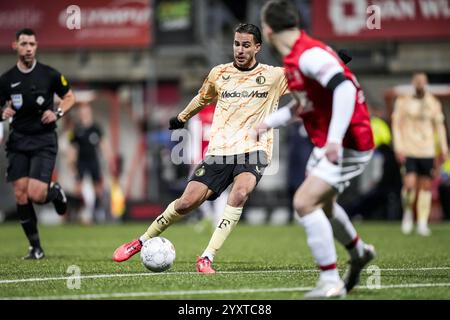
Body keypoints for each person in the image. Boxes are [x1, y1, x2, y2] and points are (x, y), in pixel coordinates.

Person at [112, 23, 289, 273]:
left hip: (254, 148)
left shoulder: (274, 76)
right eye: (237, 44)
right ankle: (140, 241)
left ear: (258, 47)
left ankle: (207, 257)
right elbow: (202, 98)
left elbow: (310, 75)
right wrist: (182, 117)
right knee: (186, 203)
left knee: (239, 193)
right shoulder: (219, 73)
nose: (240, 49)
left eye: (246, 45)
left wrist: (336, 63)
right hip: (219, 151)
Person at [255, 0, 376, 298]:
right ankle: (358, 251)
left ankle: (330, 281)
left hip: (346, 144)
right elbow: (302, 106)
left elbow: (345, 88)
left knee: (304, 202)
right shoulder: (297, 57)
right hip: (333, 143)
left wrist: (335, 139)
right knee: (324, 205)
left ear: (268, 30)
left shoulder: (308, 56)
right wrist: (267, 123)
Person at [0, 28, 75, 259]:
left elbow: (70, 96)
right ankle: (36, 247)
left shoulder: (50, 75)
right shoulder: (6, 80)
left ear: (37, 46)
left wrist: (58, 112)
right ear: (16, 46)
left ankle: (54, 192)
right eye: (24, 44)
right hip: (18, 141)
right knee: (20, 194)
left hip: (44, 140)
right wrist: (2, 111)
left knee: (35, 193)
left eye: (32, 43)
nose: (29, 48)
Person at [392, 73, 448, 236]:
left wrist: (443, 149)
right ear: (413, 83)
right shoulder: (403, 101)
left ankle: (422, 222)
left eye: (423, 82)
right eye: (417, 82)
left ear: (426, 84)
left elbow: (440, 126)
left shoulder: (433, 102)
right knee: (409, 185)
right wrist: (398, 147)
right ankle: (408, 214)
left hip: (427, 149)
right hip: (409, 148)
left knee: (425, 187)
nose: (420, 85)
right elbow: (396, 124)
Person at [68, 102, 112, 224]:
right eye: (82, 112)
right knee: (78, 188)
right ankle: (78, 213)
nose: (84, 114)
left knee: (98, 187)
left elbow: (104, 144)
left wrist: (109, 158)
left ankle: (96, 212)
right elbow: (72, 148)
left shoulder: (96, 128)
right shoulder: (76, 129)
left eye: (86, 112)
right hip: (81, 162)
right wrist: (71, 163)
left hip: (93, 160)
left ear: (90, 113)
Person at [187, 103, 229, 231]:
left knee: (197, 189)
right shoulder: (225, 111)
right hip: (217, 157)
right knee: (220, 189)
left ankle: (212, 218)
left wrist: (193, 159)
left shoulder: (198, 115)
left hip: (205, 158)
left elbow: (193, 139)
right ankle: (215, 219)